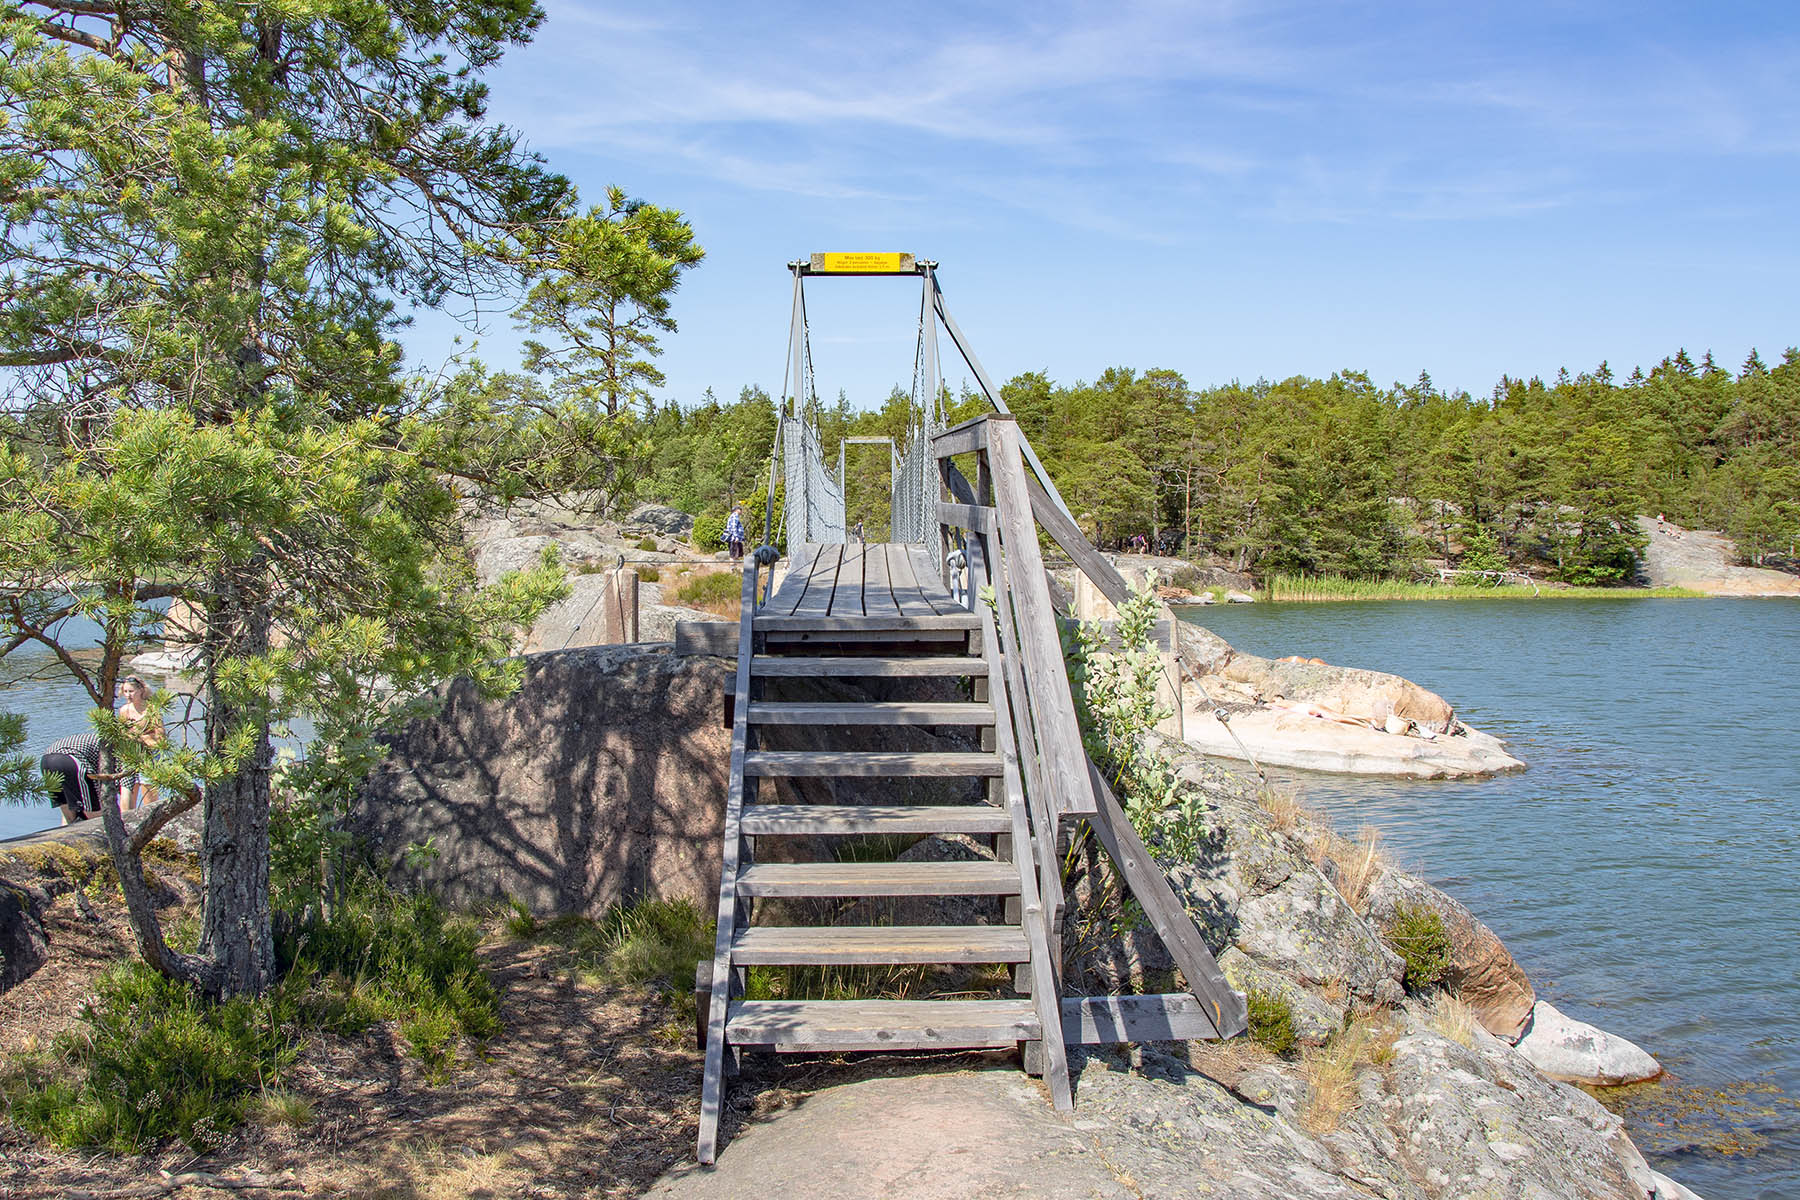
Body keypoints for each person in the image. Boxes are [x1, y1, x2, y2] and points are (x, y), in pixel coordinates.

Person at [117, 674, 163, 811]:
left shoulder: (152, 710)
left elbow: (160, 738)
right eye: (125, 691)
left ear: (141, 690)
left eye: (131, 691)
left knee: (149, 794)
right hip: (130, 754)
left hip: (150, 755)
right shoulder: (124, 710)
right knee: (127, 792)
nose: (128, 695)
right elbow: (122, 735)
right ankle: (126, 825)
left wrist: (142, 737)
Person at [41, 730, 105, 824]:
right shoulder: (123, 752)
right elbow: (126, 803)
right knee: (96, 818)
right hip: (69, 759)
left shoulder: (101, 739)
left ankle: (63, 837)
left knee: (69, 815)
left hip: (46, 760)